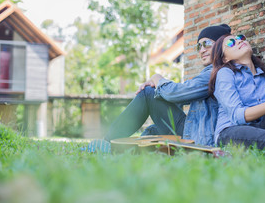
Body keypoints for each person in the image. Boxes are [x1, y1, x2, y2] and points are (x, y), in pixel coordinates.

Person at [88, 24, 232, 152]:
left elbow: (177, 94)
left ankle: (107, 142)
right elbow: (182, 98)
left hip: (199, 137)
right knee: (152, 130)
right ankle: (126, 151)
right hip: (196, 130)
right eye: (198, 46)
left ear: (220, 45)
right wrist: (160, 90)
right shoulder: (215, 71)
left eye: (207, 43)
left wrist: (157, 79)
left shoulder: (216, 72)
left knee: (148, 94)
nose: (202, 50)